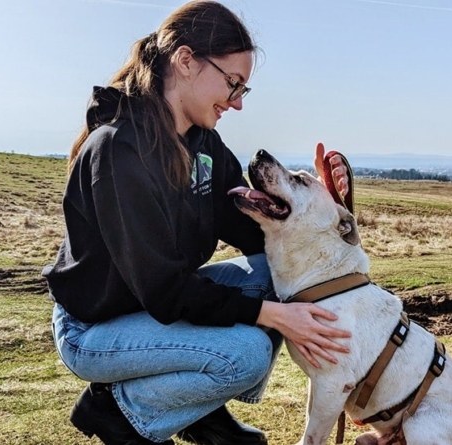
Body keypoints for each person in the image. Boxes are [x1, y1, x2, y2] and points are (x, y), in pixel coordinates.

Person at [43, 2, 352, 445]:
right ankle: (116, 409)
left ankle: (198, 412)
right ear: (186, 61)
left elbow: (257, 236)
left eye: (245, 89)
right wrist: (277, 316)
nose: (238, 102)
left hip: (149, 311)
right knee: (246, 357)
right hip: (94, 328)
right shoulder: (117, 151)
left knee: (277, 271)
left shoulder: (201, 143)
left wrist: (324, 205)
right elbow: (165, 291)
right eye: (233, 84)